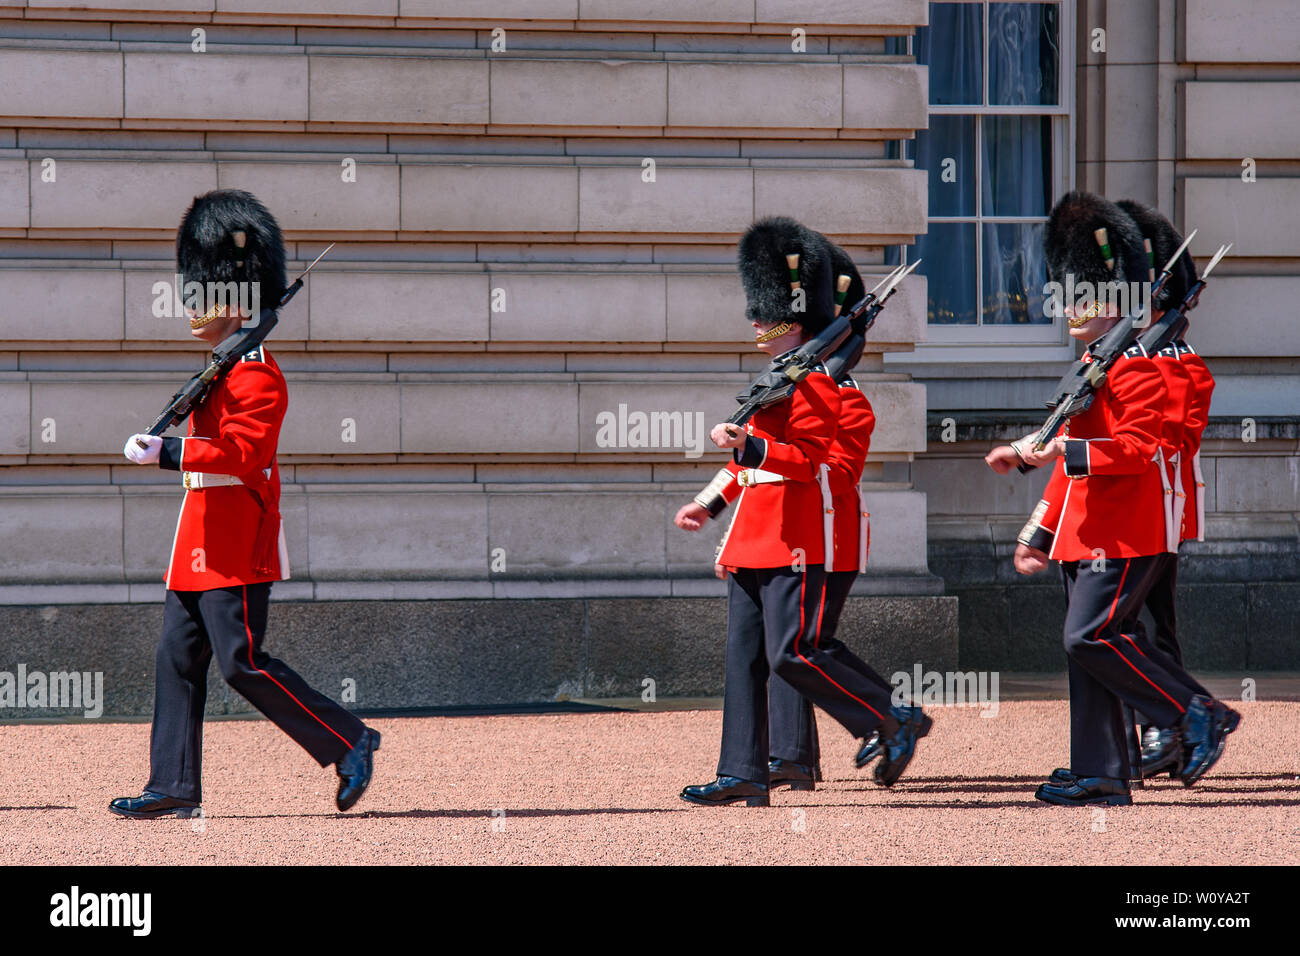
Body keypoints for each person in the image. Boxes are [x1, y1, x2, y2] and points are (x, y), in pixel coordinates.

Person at [110, 189, 379, 820]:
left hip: (237, 536)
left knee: (241, 662)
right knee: (177, 656)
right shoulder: (222, 368)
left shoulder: (257, 372)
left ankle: (350, 738)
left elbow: (243, 453)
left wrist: (169, 453)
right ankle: (173, 784)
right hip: (198, 535)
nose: (191, 306)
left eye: (202, 293)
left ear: (234, 301)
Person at [986, 191, 1238, 807]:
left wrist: (1057, 454)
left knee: (1091, 637)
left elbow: (1140, 450)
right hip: (1085, 528)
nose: (1072, 308)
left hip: (1128, 530)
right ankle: (1101, 771)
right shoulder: (1093, 364)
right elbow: (1069, 444)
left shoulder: (1139, 367)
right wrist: (1040, 526)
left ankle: (1192, 712)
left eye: (1086, 296)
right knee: (1088, 653)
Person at [675, 217, 928, 808]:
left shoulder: (817, 385)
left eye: (765, 313)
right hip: (753, 539)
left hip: (796, 537)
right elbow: (751, 466)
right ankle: (743, 770)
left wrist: (751, 447)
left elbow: (814, 464)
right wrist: (710, 506)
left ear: (794, 319)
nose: (756, 321)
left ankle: (890, 717)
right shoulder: (780, 381)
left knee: (795, 652)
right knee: (746, 659)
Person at [765, 242, 913, 791]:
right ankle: (793, 755)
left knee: (804, 649)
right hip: (785, 537)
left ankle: (889, 718)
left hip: (829, 540)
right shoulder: (790, 391)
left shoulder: (848, 399)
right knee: (796, 648)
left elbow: (835, 476)